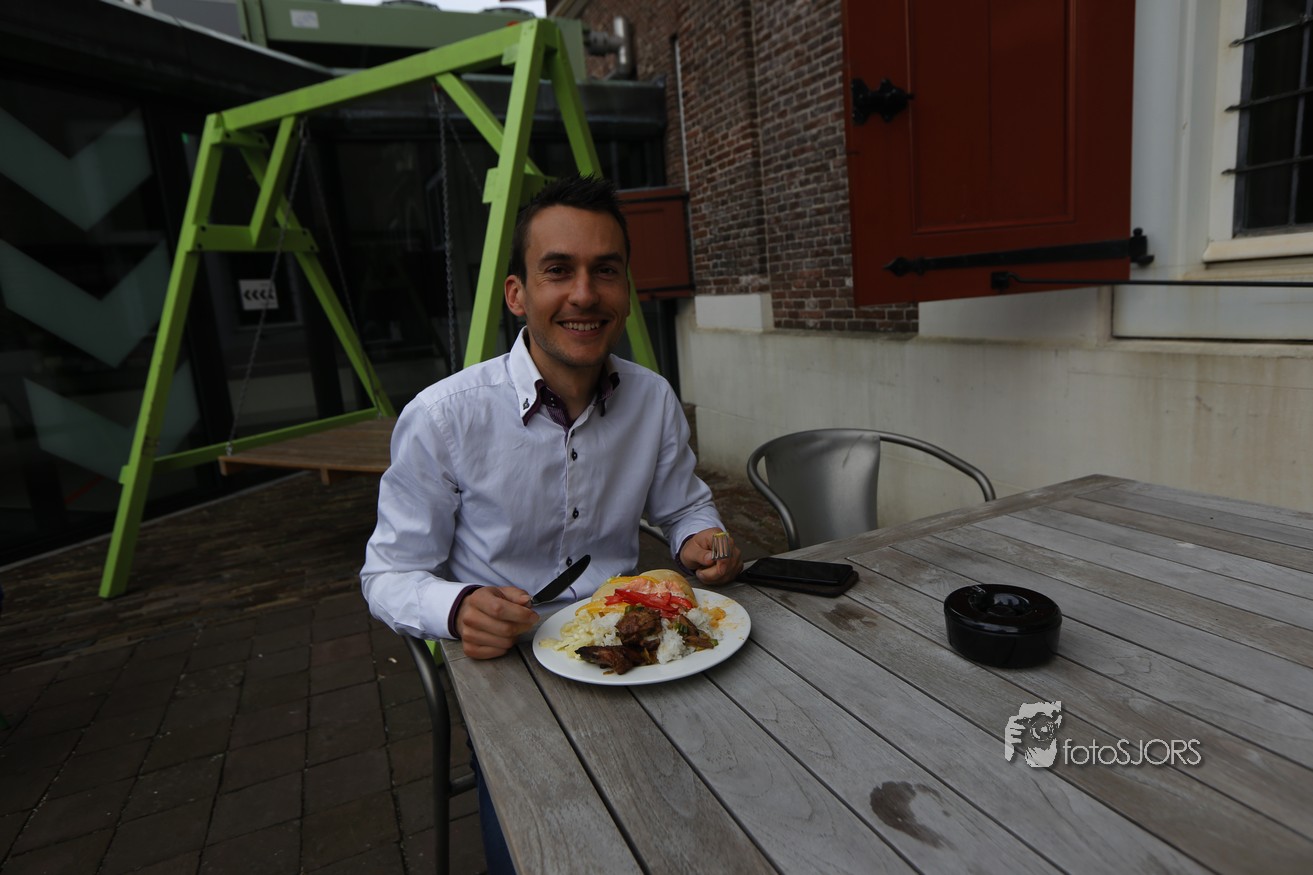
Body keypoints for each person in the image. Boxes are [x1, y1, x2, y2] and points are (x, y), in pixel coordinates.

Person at [360, 173, 742, 872]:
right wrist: (458, 606)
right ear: (517, 293)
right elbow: (387, 574)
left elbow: (685, 506)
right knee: (544, 852)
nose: (584, 294)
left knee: (722, 806)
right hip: (508, 669)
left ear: (626, 288)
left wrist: (701, 538)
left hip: (638, 640)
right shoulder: (444, 417)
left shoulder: (653, 400)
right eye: (558, 270)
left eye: (606, 270)